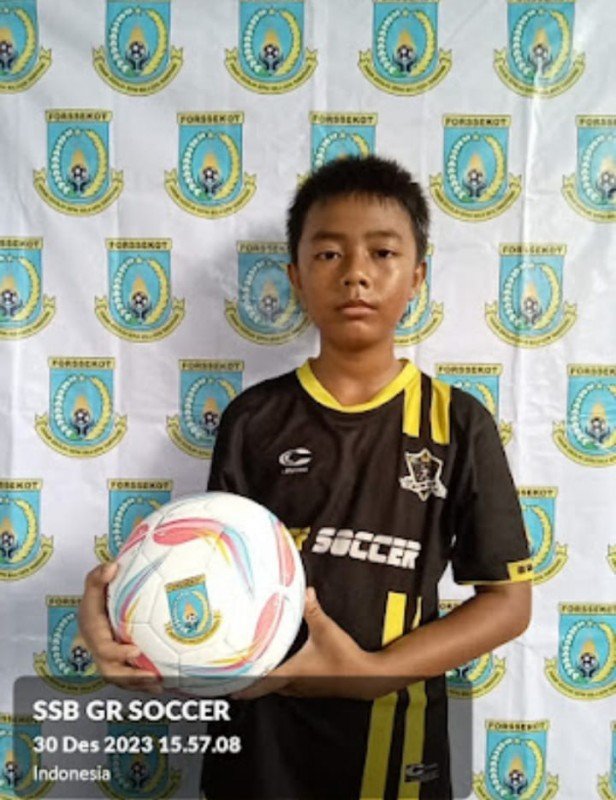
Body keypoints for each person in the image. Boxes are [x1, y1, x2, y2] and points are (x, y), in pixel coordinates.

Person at [79, 155, 532, 800]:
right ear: (295, 276)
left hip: (394, 751)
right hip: (259, 751)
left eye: (382, 253)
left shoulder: (457, 423)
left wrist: (372, 673)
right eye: (328, 254)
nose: (355, 274)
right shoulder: (253, 419)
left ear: (417, 277)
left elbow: (508, 602)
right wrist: (121, 623)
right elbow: (206, 580)